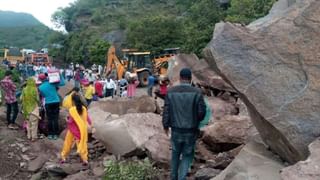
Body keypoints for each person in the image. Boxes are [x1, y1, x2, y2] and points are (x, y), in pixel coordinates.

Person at [162, 68, 206, 180]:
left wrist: (165, 126)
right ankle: (181, 178)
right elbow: (201, 113)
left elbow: (166, 110)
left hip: (176, 130)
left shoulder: (171, 92)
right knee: (187, 155)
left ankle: (173, 177)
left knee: (175, 154)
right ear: (190, 79)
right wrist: (195, 120)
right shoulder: (197, 92)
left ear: (180, 78)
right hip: (191, 130)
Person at [60, 93, 91, 165]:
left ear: (73, 101)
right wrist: (90, 125)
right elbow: (88, 118)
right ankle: (85, 159)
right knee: (82, 144)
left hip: (73, 130)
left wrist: (66, 120)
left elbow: (70, 121)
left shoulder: (72, 110)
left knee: (68, 143)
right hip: (82, 130)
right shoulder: (84, 108)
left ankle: (63, 157)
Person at [38, 74, 61, 140]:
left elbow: (43, 96)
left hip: (48, 103)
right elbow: (59, 87)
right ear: (46, 77)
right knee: (55, 118)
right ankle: (56, 134)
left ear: (40, 80)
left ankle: (51, 134)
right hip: (56, 102)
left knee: (50, 119)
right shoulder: (52, 83)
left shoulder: (40, 87)